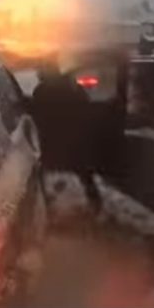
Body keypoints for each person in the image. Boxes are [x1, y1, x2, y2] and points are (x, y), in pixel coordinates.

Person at [31, 59, 102, 213]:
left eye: (40, 70)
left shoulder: (41, 91)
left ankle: (46, 208)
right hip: (74, 144)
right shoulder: (74, 89)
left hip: (50, 144)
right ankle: (96, 206)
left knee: (37, 174)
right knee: (84, 173)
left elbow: (37, 116)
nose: (38, 73)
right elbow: (86, 112)